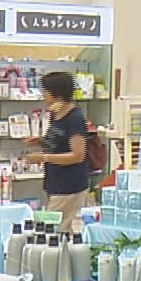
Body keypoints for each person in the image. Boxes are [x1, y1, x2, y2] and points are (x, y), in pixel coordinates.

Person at [21, 71, 90, 234]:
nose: (43, 94)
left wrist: (43, 157)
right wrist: (39, 141)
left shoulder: (74, 118)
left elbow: (77, 155)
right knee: (61, 228)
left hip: (69, 185)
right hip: (55, 181)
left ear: (57, 93)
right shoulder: (55, 114)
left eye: (45, 90)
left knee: (53, 230)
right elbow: (59, 142)